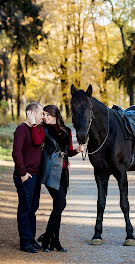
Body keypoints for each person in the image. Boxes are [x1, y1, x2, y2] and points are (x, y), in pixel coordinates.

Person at [31, 105, 84, 252]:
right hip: (50, 171)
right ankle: (47, 237)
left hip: (63, 172)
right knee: (61, 204)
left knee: (57, 208)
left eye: (48, 115)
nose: (45, 117)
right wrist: (35, 125)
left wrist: (77, 151)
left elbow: (68, 152)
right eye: (44, 115)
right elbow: (36, 142)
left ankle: (56, 242)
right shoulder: (43, 129)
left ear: (55, 115)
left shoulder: (66, 131)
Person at [12, 102, 44, 253]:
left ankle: (31, 239)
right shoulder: (21, 129)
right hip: (26, 175)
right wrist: (22, 173)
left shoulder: (34, 129)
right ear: (30, 113)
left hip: (35, 175)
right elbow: (16, 153)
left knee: (33, 208)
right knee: (25, 209)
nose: (42, 117)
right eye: (40, 113)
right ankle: (25, 242)